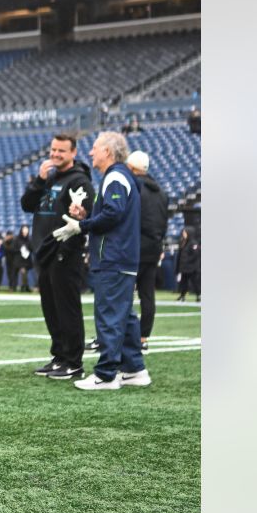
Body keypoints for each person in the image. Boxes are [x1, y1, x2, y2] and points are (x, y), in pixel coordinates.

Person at [55, 131, 148, 390]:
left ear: (107, 151)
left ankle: (106, 374)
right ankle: (134, 369)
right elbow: (112, 213)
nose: (91, 153)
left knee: (108, 315)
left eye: (95, 148)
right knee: (125, 316)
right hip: (123, 257)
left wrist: (81, 225)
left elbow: (113, 214)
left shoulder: (115, 176)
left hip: (113, 258)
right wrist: (86, 215)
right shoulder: (121, 176)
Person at [21, 134, 94, 380]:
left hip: (64, 252)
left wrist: (68, 247)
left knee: (67, 308)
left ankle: (73, 361)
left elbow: (84, 216)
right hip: (44, 252)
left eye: (61, 151)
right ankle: (59, 356)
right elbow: (27, 204)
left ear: (73, 153)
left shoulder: (79, 181)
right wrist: (39, 180)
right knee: (51, 309)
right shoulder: (49, 177)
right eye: (53, 149)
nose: (55, 154)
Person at [126, 150, 168, 351]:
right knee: (147, 295)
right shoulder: (162, 193)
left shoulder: (134, 188)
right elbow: (164, 223)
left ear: (132, 168)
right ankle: (143, 338)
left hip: (134, 249)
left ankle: (122, 335)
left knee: (123, 293)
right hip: (154, 249)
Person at [176, 225, 201, 302]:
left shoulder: (193, 243)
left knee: (195, 282)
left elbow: (195, 255)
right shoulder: (183, 242)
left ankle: (199, 295)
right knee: (183, 282)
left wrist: (187, 261)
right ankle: (182, 295)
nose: (183, 234)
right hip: (185, 268)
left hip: (192, 268)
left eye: (185, 232)